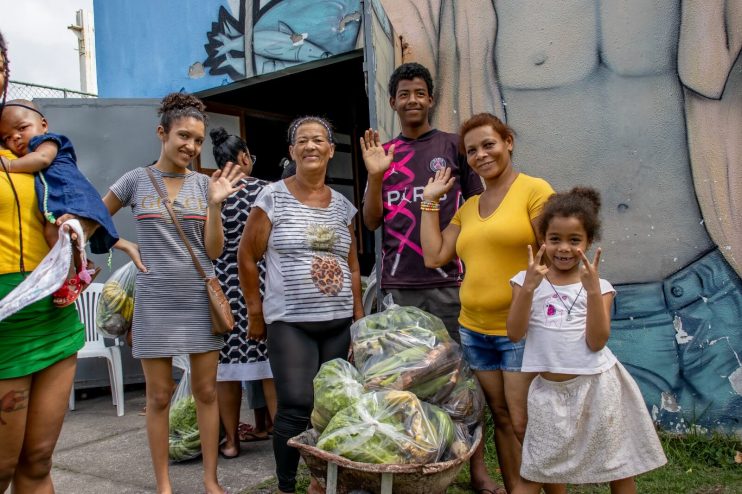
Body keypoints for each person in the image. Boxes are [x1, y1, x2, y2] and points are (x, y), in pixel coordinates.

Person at [360, 61, 497, 494]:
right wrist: (377, 176)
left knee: (464, 384)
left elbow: (479, 209)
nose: (412, 100)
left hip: (451, 285)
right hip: (400, 287)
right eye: (404, 94)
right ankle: (413, 465)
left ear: (430, 98)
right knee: (404, 383)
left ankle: (475, 470)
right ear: (392, 102)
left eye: (420, 92)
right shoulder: (385, 154)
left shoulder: (455, 147)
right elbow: (371, 220)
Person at [101, 93, 244, 494]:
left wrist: (215, 206)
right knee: (159, 397)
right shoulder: (134, 180)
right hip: (154, 302)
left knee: (205, 393)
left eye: (198, 141)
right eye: (183, 136)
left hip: (199, 300)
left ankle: (211, 480)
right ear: (162, 133)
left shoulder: (206, 184)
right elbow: (94, 219)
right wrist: (125, 245)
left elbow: (214, 251)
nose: (191, 147)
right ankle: (163, 484)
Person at [418, 113, 559, 493]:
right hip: (475, 329)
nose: (481, 154)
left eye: (489, 144)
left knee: (524, 419)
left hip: (520, 327)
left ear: (508, 142)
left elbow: (553, 251)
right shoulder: (468, 207)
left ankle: (550, 488)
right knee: (500, 415)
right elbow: (435, 255)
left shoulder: (535, 190)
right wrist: (429, 203)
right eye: (472, 150)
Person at [507, 187, 667, 493]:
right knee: (534, 470)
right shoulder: (524, 281)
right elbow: (515, 334)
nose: (563, 248)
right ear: (542, 239)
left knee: (617, 467)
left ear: (588, 242)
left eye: (574, 240)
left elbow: (597, 342)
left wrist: (593, 291)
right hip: (548, 393)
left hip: (598, 387)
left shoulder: (600, 286)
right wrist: (528, 288)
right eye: (555, 239)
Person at [239, 116, 363, 494]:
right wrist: (256, 313)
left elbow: (353, 263)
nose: (311, 146)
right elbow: (247, 255)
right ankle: (286, 485)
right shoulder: (272, 197)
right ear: (292, 151)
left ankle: (323, 481)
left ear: (330, 149)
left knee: (335, 405)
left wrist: (358, 318)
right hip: (290, 322)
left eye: (318, 140)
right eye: (302, 141)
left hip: (339, 321)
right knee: (295, 404)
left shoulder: (343, 206)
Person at [0, 30, 96, 493]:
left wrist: (80, 231)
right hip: (3, 317)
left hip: (52, 310)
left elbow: (81, 204)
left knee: (37, 462)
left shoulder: (37, 152)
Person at [0, 99, 119, 306]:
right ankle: (83, 268)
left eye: (22, 128)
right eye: (7, 138)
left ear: (44, 125)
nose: (16, 138)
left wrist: (9, 164)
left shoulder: (48, 142)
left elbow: (43, 159)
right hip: (63, 200)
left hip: (73, 197)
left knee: (54, 233)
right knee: (57, 232)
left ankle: (70, 279)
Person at [208, 127, 275, 459]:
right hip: (261, 288)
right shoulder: (266, 191)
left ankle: (231, 441)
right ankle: (282, 441)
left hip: (224, 295)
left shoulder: (210, 193)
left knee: (227, 372)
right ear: (245, 158)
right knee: (269, 368)